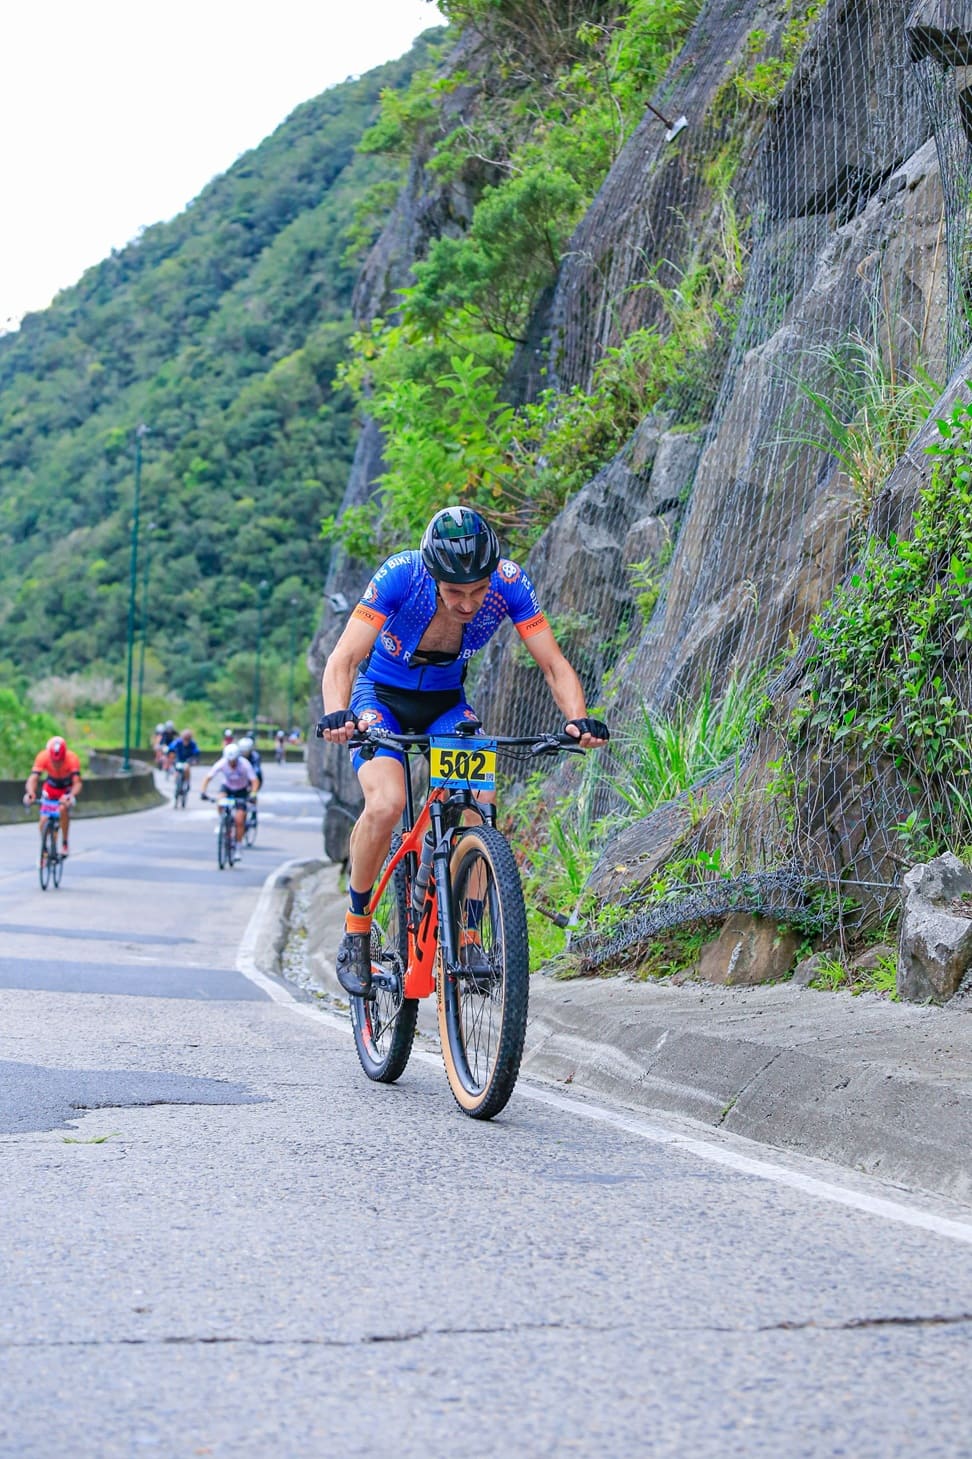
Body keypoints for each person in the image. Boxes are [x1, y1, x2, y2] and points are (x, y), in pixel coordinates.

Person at [318, 505, 610, 996]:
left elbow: (553, 664)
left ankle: (469, 934)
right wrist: (337, 714)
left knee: (479, 799)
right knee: (387, 803)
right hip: (379, 700)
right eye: (456, 592)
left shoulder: (509, 583)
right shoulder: (401, 574)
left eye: (478, 590)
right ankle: (356, 929)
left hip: (446, 705)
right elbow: (344, 659)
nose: (469, 603)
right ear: (434, 577)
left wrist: (577, 719)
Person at [23, 735, 83, 856]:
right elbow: (33, 778)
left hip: (65, 789)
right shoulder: (43, 756)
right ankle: (45, 848)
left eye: (60, 761)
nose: (57, 764)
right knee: (43, 821)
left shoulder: (72, 758)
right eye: (54, 761)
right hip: (50, 788)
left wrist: (71, 795)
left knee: (62, 809)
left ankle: (65, 843)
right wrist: (30, 793)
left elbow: (77, 783)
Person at [198, 742, 257, 850]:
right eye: (230, 761)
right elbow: (208, 777)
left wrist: (253, 794)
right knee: (220, 800)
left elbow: (254, 780)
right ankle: (223, 821)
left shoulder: (245, 764)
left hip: (241, 790)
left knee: (239, 820)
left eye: (234, 761)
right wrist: (203, 791)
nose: (232, 763)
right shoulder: (222, 763)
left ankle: (238, 847)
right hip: (227, 788)